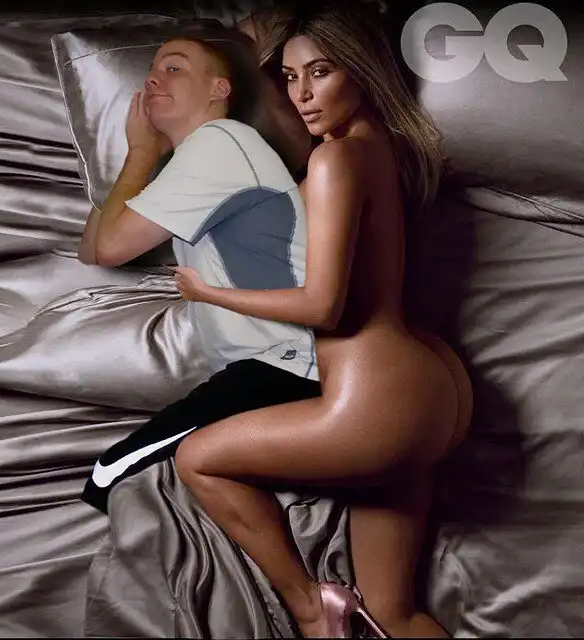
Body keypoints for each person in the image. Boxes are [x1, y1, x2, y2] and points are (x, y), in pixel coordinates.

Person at [169, 3, 473, 638]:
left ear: (361, 69)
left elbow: (321, 307)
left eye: (321, 72)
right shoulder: (385, 148)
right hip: (432, 385)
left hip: (376, 400)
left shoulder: (334, 162)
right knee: (395, 614)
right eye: (288, 77)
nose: (302, 94)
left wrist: (209, 293)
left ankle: (312, 609)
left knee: (197, 459)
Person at [77, 20, 324, 514]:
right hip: (270, 367)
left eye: (175, 68)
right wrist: (148, 156)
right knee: (142, 482)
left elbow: (109, 248)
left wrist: (142, 150)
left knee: (110, 477)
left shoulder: (221, 143)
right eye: (151, 70)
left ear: (219, 90)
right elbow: (91, 247)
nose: (153, 78)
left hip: (288, 365)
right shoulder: (199, 158)